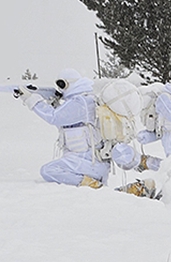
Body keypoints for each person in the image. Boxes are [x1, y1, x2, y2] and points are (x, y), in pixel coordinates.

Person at [19, 68, 156, 196]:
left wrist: (31, 99)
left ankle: (99, 187)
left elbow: (54, 117)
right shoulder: (85, 101)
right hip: (90, 162)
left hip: (86, 161)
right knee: (99, 198)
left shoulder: (81, 102)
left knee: (49, 171)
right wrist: (53, 103)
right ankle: (135, 190)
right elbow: (64, 122)